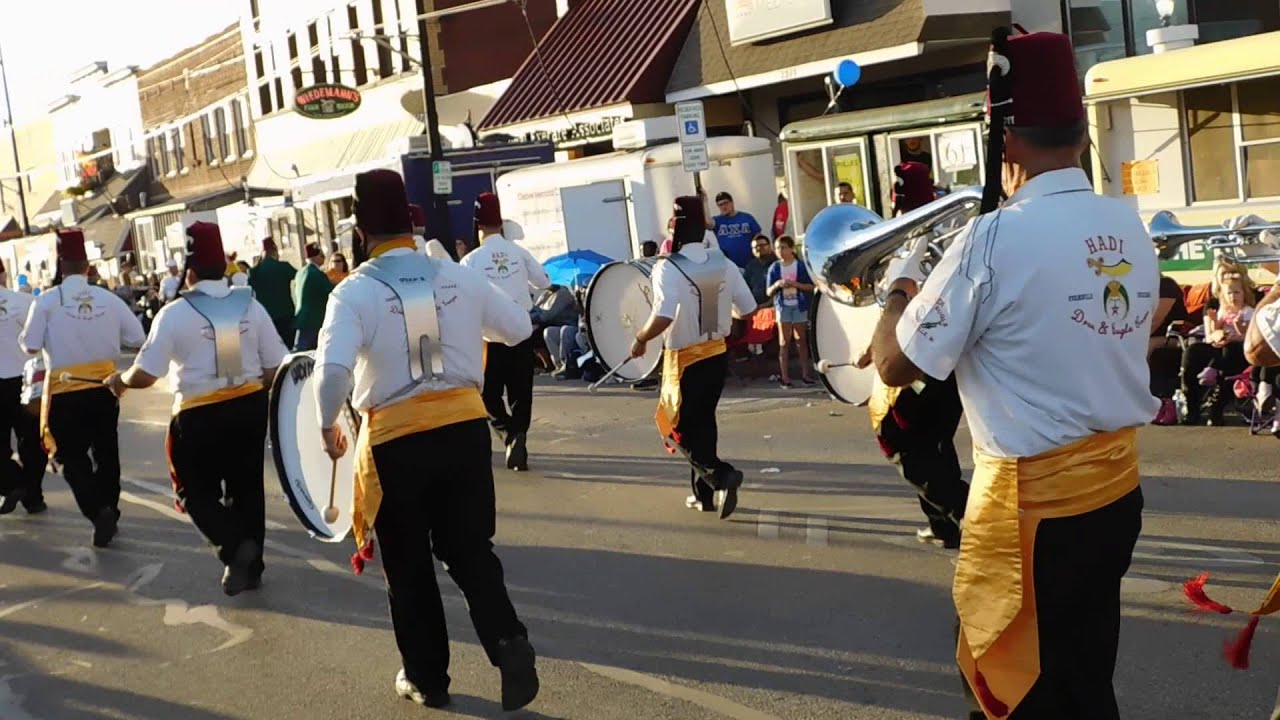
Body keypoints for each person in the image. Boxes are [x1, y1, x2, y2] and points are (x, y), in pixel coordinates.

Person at [863, 30, 1155, 719]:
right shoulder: (1128, 226)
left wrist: (901, 288)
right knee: (1085, 680)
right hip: (1115, 494)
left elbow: (893, 361)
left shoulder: (992, 237)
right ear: (1082, 136)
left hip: (1035, 512)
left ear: (1007, 141)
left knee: (1013, 688)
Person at [314, 168, 539, 712]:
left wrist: (327, 426)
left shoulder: (354, 292)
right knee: (468, 548)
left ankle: (427, 676)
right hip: (464, 431)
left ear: (361, 231)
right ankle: (509, 643)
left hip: (396, 443)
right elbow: (519, 328)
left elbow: (331, 375)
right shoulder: (457, 276)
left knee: (409, 565)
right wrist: (464, 330)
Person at [106, 222, 287, 595]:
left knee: (192, 490)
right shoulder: (251, 306)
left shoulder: (174, 313)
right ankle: (250, 567)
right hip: (249, 406)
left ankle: (235, 546)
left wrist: (119, 381)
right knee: (247, 488)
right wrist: (249, 392)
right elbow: (276, 366)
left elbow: (147, 374)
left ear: (189, 272)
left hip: (199, 415)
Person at [856, 160, 970, 548]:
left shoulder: (904, 248)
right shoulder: (955, 238)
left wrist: (881, 347)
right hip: (950, 362)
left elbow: (900, 309)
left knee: (900, 441)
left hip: (914, 364)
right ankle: (945, 526)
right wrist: (873, 346)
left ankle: (968, 517)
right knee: (936, 442)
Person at [19, 229, 147, 547]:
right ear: (88, 266)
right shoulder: (109, 299)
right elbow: (138, 339)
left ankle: (97, 510)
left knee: (68, 456)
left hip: (65, 391)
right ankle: (110, 508)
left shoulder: (46, 302)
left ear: (61, 267)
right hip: (105, 386)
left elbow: (30, 347)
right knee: (107, 453)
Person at [629, 196, 755, 518]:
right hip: (717, 355)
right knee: (704, 422)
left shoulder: (666, 267)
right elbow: (748, 309)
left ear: (676, 230)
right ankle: (705, 496)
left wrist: (641, 338)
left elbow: (664, 315)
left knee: (675, 427)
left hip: (685, 361)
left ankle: (720, 475)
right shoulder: (724, 263)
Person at [460, 192, 551, 471]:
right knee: (521, 393)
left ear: (477, 226)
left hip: (490, 337)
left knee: (488, 397)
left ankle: (509, 433)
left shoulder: (471, 261)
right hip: (522, 330)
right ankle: (519, 434)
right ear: (501, 223)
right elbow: (544, 282)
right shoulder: (519, 252)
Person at [0, 258, 47, 516]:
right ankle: (33, 496)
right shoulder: (24, 302)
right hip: (25, 380)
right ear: (4, 275)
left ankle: (14, 483)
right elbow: (39, 339)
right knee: (30, 442)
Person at [766, 236, 815, 388]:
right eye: (777, 248)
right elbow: (768, 291)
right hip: (783, 306)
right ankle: (785, 376)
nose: (780, 251)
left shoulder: (800, 266)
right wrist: (777, 285)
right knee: (784, 341)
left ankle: (805, 374)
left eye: (783, 247)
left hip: (799, 305)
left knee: (801, 340)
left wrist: (796, 284)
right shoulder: (774, 267)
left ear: (792, 249)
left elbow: (812, 287)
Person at [248, 237, 297, 348]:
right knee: (288, 348)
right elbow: (299, 277)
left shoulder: (254, 271)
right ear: (275, 251)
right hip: (286, 315)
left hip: (265, 317)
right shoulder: (283, 267)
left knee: (271, 349)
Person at [292, 243, 333, 352]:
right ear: (315, 257)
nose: (323, 258)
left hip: (302, 319)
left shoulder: (300, 273)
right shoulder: (317, 274)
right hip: (314, 321)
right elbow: (331, 293)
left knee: (299, 353)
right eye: (321, 255)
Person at [712, 191, 762, 270]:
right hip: (728, 266)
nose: (723, 207)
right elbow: (707, 223)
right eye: (720, 205)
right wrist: (704, 200)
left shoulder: (747, 217)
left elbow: (758, 237)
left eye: (726, 203)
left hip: (749, 264)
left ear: (732, 203)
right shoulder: (717, 221)